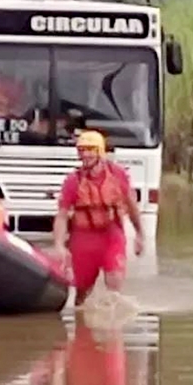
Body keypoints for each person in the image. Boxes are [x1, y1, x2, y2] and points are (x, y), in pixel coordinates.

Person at [53, 130, 144, 308]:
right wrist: (59, 245)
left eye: (90, 150)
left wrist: (140, 234)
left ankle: (113, 329)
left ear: (100, 151)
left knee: (114, 284)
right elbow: (62, 215)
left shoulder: (118, 175)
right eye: (81, 150)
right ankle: (83, 331)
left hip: (112, 235)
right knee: (82, 295)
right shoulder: (73, 181)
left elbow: (131, 206)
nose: (85, 155)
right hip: (83, 239)